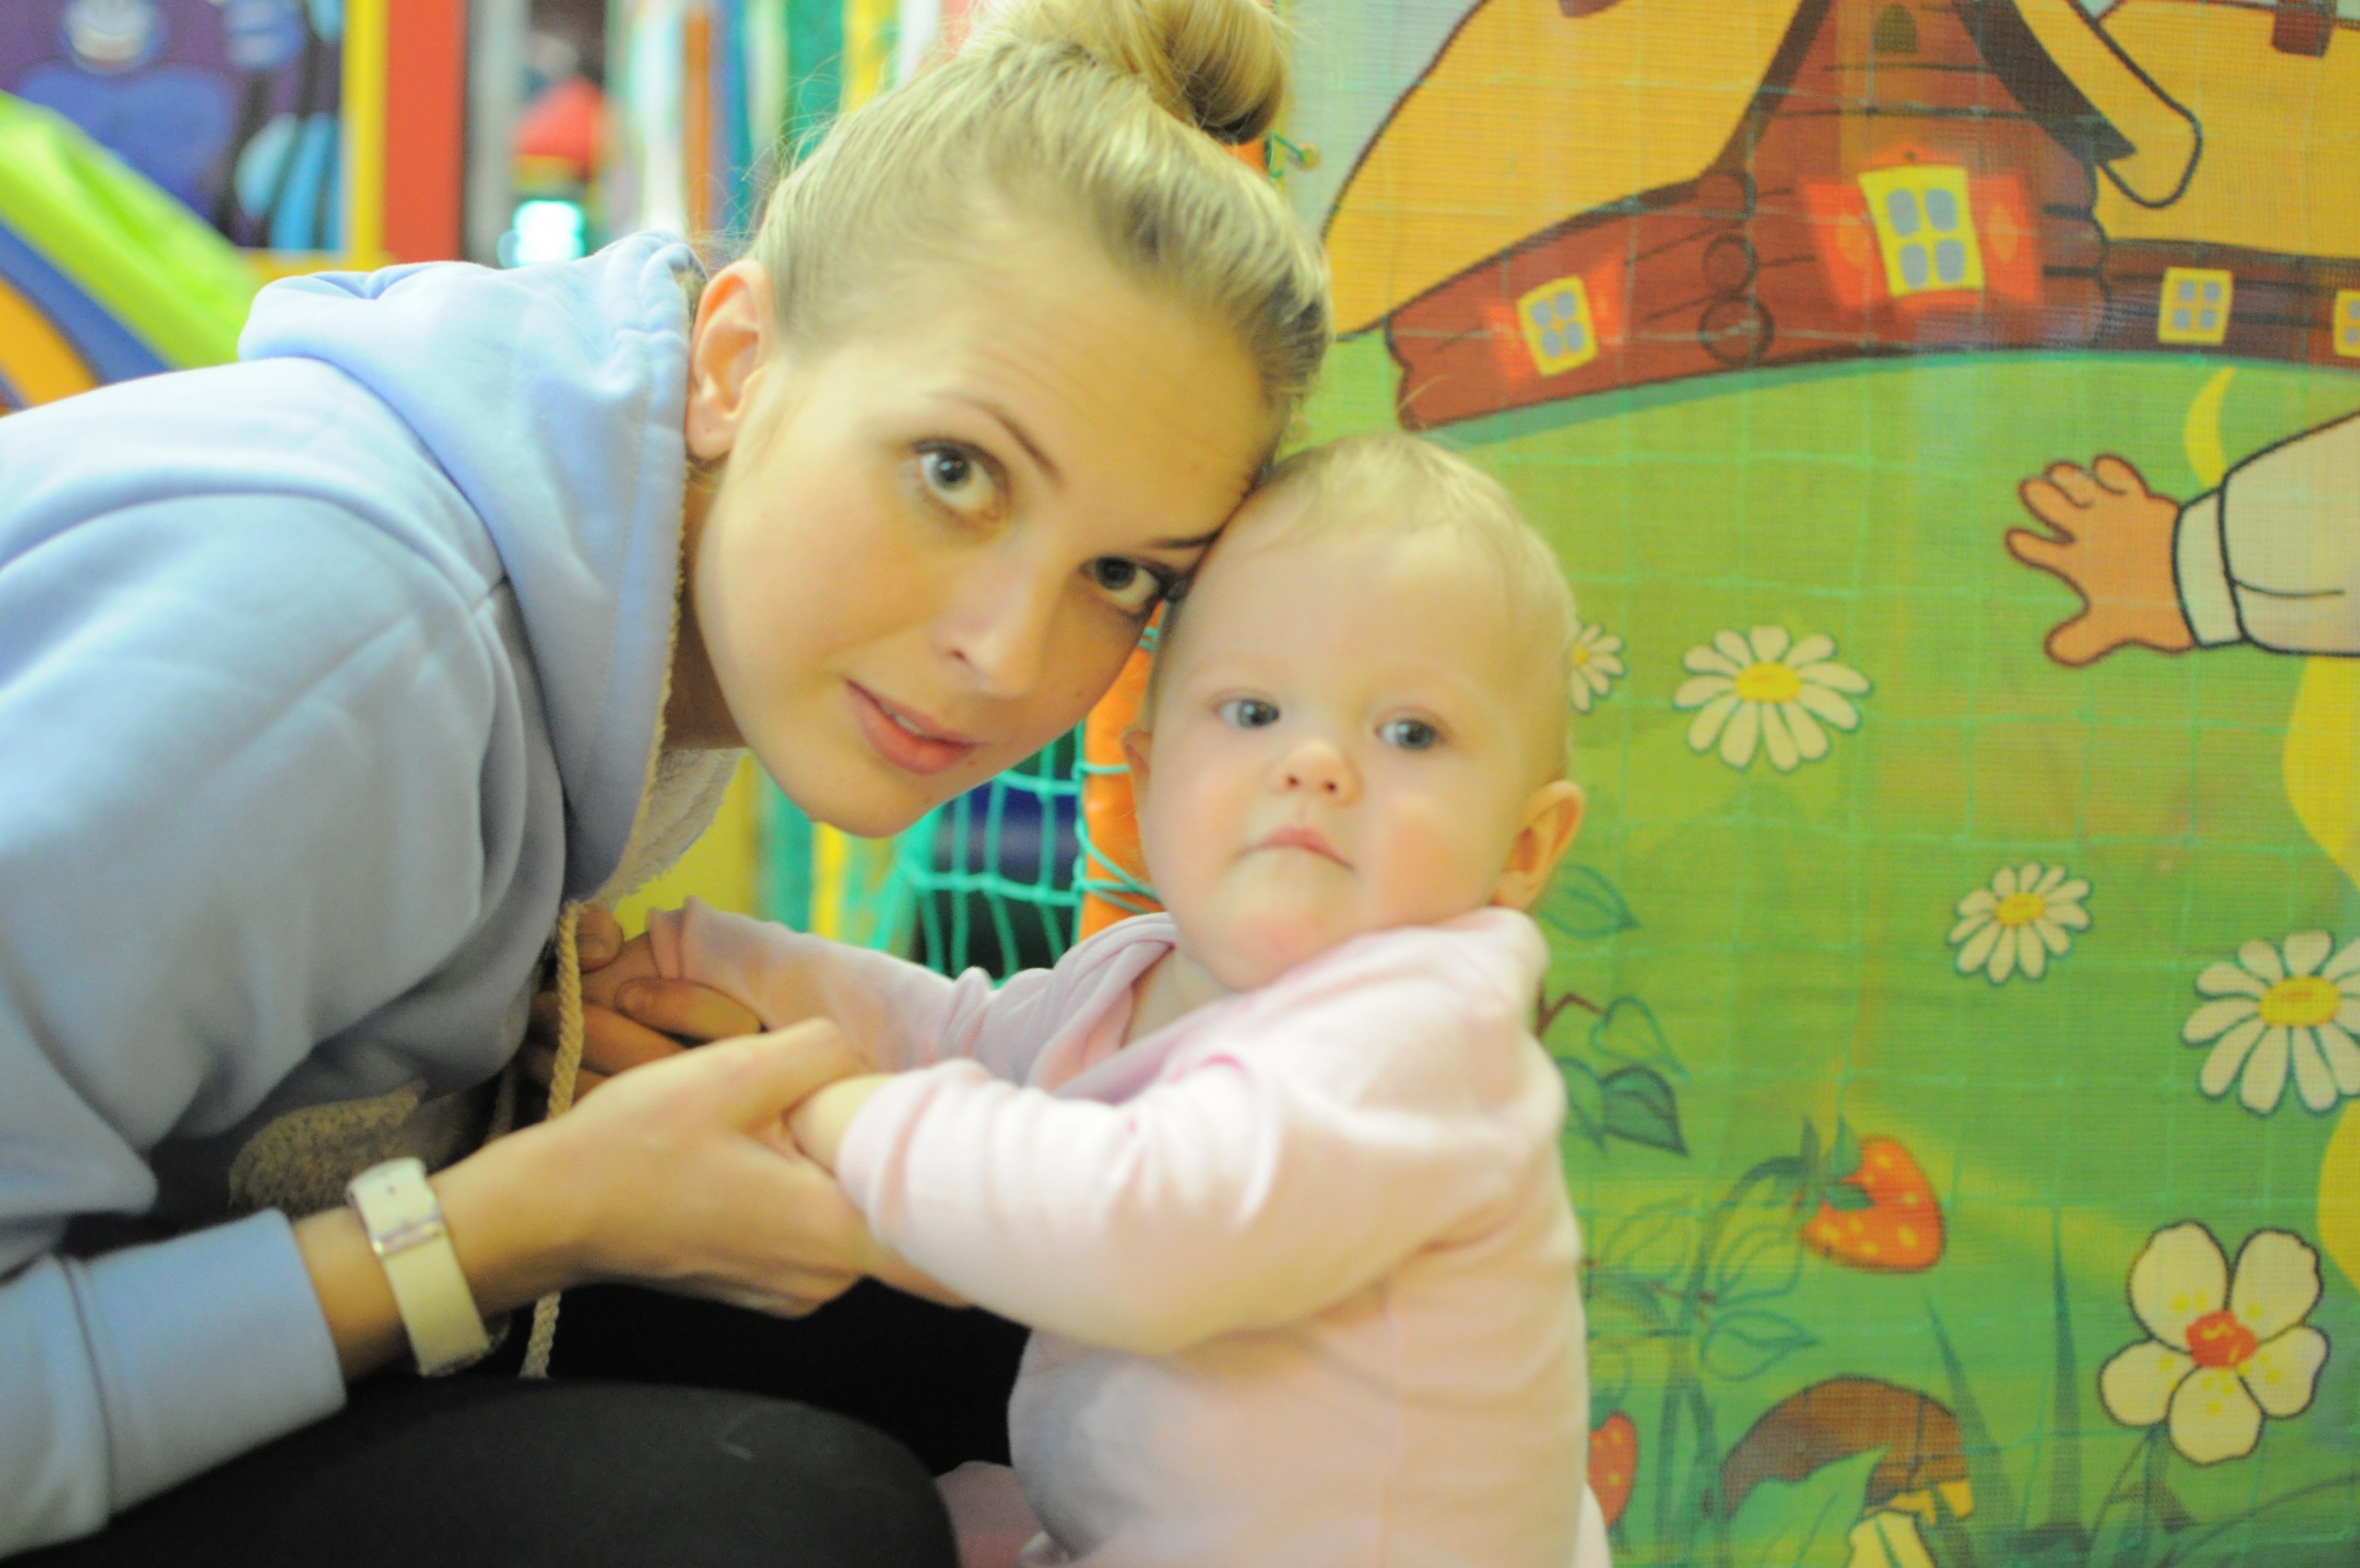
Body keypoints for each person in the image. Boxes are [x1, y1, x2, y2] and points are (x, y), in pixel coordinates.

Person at [0, 0, 1329, 1559]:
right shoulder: (348, 658)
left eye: (1121, 572)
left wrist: (530, 1096)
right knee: (786, 1525)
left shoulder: (642, 587)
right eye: (955, 472)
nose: (1007, 651)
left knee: (1071, 1323)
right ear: (737, 359)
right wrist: (509, 1223)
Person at [583, 435, 1613, 1567]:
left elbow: (1140, 1230)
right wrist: (700, 959)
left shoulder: (1422, 1037)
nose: (1315, 764)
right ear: (1151, 776)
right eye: (1251, 711)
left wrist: (818, 1106)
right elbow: (950, 1035)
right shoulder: (1146, 974)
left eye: (1410, 733)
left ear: (1523, 848)